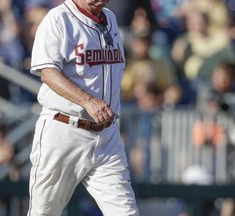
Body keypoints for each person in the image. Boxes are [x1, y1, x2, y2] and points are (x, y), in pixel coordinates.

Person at [27, 0, 139, 215]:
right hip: (65, 131)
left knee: (126, 212)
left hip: (107, 138)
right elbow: (47, 72)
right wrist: (88, 101)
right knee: (44, 212)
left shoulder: (110, 19)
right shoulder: (59, 18)